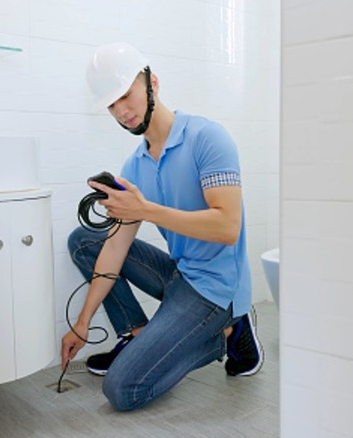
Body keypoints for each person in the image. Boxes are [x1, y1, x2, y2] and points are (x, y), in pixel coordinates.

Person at [60, 42, 263, 412]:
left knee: (123, 390)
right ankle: (136, 334)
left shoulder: (207, 138)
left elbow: (227, 227)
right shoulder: (135, 165)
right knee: (85, 240)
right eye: (111, 105)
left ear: (152, 83)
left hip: (216, 288)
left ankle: (230, 332)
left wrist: (146, 209)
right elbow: (115, 248)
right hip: (181, 275)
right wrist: (82, 323)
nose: (121, 111)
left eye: (126, 95)